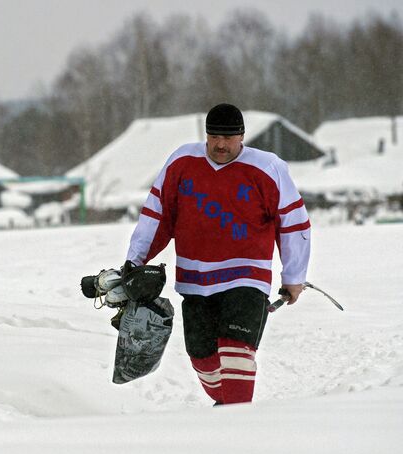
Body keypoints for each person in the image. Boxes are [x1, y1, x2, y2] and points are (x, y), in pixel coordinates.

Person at [125, 103, 311, 405]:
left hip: (247, 277)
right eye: (213, 137)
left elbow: (293, 223)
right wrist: (134, 263)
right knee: (203, 359)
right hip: (195, 280)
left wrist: (294, 277)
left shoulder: (269, 168)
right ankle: (227, 411)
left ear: (242, 137)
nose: (220, 145)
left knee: (236, 352)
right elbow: (156, 215)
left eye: (228, 138)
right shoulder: (182, 162)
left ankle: (238, 426)